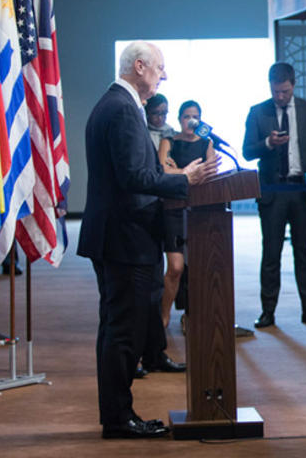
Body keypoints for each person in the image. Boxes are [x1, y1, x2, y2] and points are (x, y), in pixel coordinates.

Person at [78, 41, 216, 439]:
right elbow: (133, 178)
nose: (164, 75)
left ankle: (117, 416)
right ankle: (119, 420)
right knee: (123, 332)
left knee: (118, 329)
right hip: (124, 238)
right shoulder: (121, 108)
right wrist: (182, 179)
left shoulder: (117, 104)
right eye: (159, 68)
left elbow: (135, 174)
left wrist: (177, 176)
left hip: (120, 235)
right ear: (139, 67)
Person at [244, 62, 306, 329]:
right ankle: (268, 311)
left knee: (304, 252)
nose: (280, 97)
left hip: (302, 189)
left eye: (284, 91)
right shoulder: (258, 112)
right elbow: (247, 151)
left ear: (293, 85)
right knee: (271, 253)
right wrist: (268, 143)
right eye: (275, 92)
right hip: (273, 191)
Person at [156, 100, 216, 328]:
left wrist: (178, 173)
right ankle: (163, 316)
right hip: (173, 210)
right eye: (186, 117)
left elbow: (210, 172)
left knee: (200, 267)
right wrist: (185, 174)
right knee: (176, 267)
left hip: (200, 211)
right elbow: (163, 170)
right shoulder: (169, 141)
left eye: (195, 117)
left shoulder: (207, 143)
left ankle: (194, 317)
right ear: (179, 119)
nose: (191, 121)